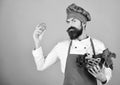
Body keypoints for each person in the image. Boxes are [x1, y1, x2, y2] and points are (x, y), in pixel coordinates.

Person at [32, 3, 115, 85]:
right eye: (68, 22)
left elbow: (108, 68)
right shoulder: (62, 46)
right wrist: (37, 42)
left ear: (83, 23)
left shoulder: (98, 45)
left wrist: (103, 78)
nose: (70, 25)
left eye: (74, 21)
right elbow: (41, 66)